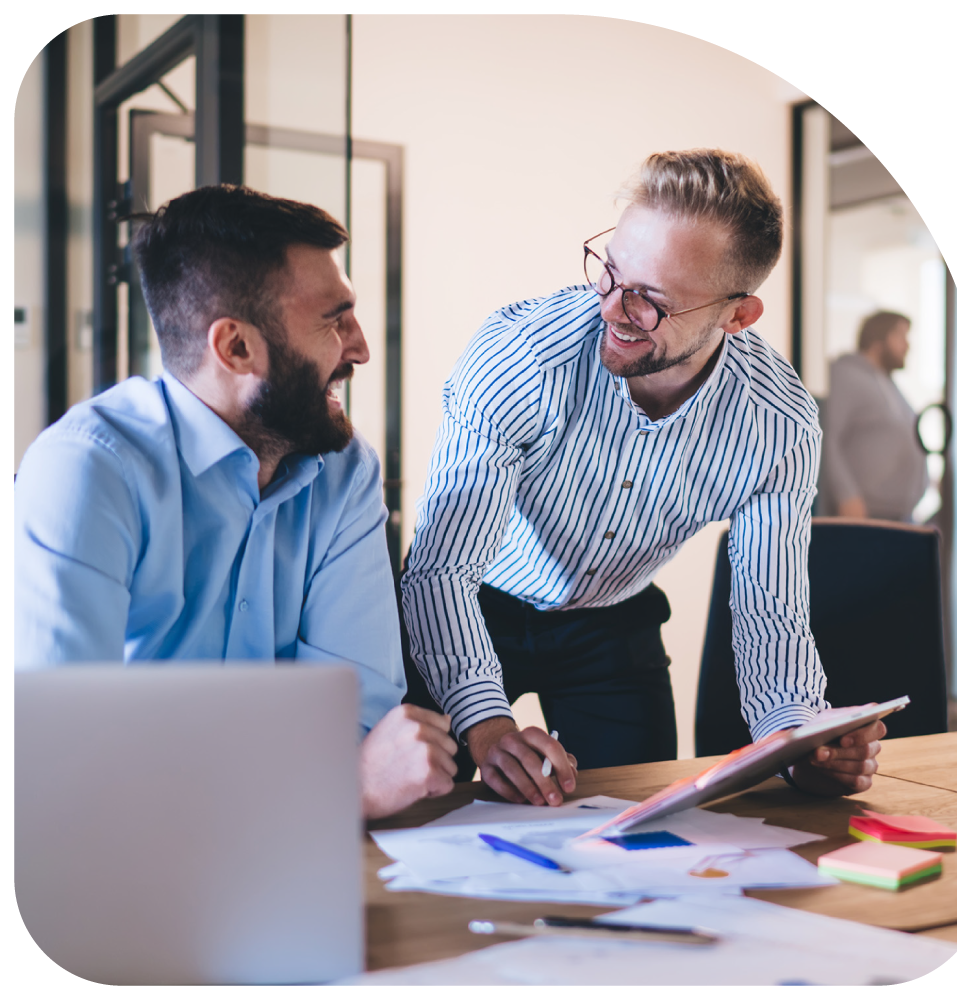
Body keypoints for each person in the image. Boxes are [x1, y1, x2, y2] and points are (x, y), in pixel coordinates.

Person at [401, 149, 886, 808]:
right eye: (610, 271)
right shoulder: (521, 359)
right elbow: (441, 569)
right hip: (470, 601)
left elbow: (769, 610)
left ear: (737, 316)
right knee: (414, 812)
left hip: (612, 619)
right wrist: (486, 727)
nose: (614, 308)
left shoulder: (778, 424)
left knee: (640, 823)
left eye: (651, 301)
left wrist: (800, 745)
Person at [13, 185, 457, 820]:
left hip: (294, 866)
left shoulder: (346, 469)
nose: (358, 347)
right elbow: (65, 770)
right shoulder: (89, 471)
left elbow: (359, 722)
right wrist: (341, 790)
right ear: (237, 348)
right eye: (334, 319)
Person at [821, 311, 928, 521]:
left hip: (899, 515)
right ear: (878, 339)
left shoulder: (888, 384)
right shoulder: (846, 374)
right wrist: (847, 494)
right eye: (900, 336)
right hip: (865, 515)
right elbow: (827, 437)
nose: (907, 346)